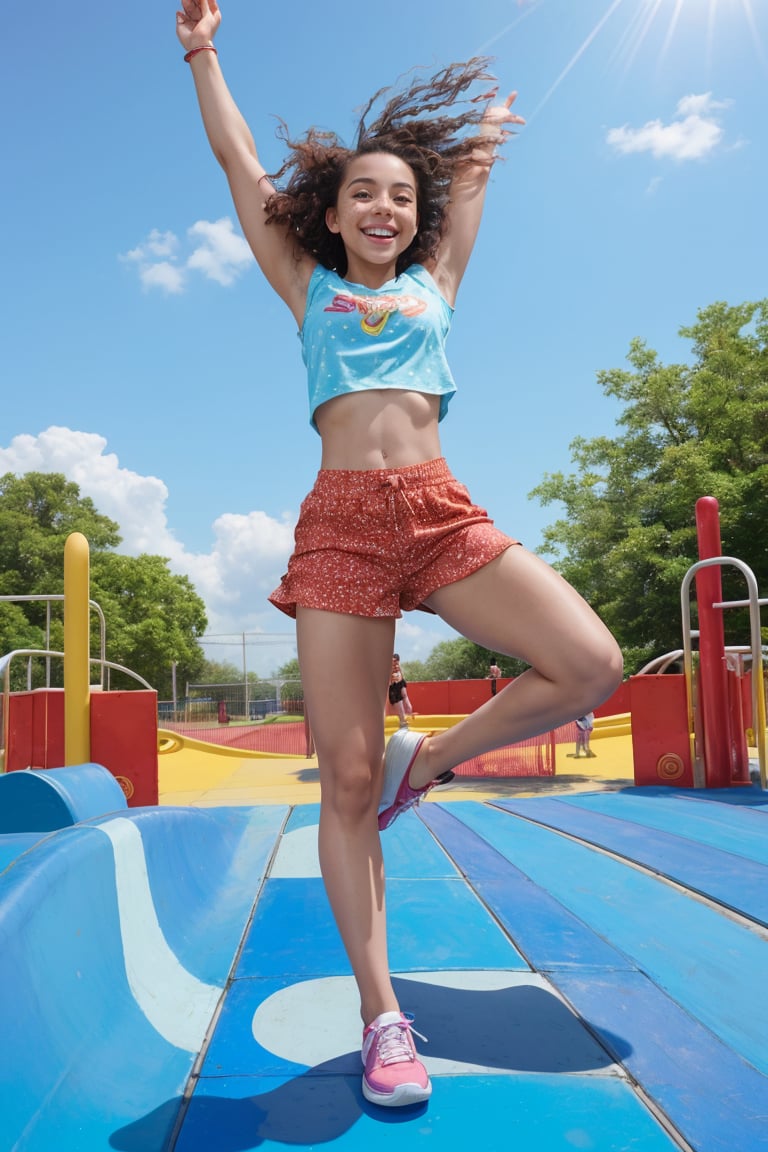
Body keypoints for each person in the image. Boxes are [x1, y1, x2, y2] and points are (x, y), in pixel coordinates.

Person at [176, 0, 623, 1109]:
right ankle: (384, 1018)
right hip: (338, 525)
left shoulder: (438, 285)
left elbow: (469, 191)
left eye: (402, 196)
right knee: (345, 780)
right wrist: (204, 53)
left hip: (437, 510)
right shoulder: (306, 286)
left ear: (415, 220)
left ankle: (433, 764)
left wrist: (476, 152)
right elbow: (237, 159)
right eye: (364, 192)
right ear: (329, 216)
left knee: (590, 662)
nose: (385, 206)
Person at [388, 653, 414, 726]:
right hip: (396, 684)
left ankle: (403, 722)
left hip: (396, 685)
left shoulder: (396, 668)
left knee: (402, 702)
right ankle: (404, 721)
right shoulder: (397, 668)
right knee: (403, 701)